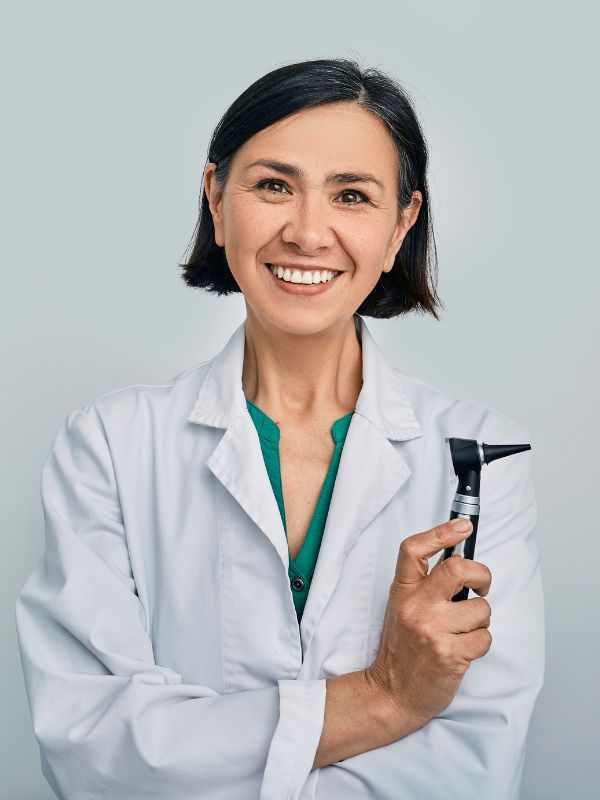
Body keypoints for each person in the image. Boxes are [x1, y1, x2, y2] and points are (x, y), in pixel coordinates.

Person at [15, 58, 544, 800]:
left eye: (352, 195)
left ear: (401, 225)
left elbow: (473, 762)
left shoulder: (480, 455)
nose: (307, 233)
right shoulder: (109, 444)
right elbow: (95, 749)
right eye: (273, 186)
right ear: (216, 198)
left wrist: (208, 750)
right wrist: (387, 698)